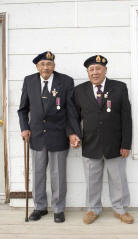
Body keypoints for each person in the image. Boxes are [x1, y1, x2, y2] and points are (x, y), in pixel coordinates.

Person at [18, 51, 81, 222]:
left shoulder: (66, 81)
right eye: (42, 64)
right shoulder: (29, 81)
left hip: (59, 135)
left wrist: (73, 133)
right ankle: (40, 207)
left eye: (49, 64)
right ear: (37, 67)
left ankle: (58, 209)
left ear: (54, 65)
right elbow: (23, 109)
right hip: (36, 136)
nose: (46, 67)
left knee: (58, 175)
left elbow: (71, 111)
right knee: (38, 173)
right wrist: (24, 128)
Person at [72, 55, 134, 224]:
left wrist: (126, 144)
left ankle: (120, 209)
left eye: (98, 68)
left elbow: (126, 118)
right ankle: (93, 209)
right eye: (91, 69)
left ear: (105, 70)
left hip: (115, 145)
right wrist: (74, 134)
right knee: (92, 181)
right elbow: (74, 117)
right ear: (87, 72)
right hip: (90, 144)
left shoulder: (119, 88)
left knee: (118, 179)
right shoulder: (79, 90)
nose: (95, 72)